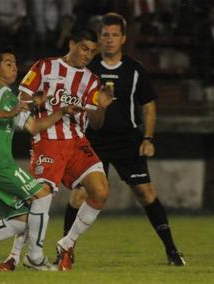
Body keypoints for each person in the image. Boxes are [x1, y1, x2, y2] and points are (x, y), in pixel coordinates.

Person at [65, 13, 185, 266]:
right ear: (98, 39)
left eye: (114, 35)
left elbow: (148, 105)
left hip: (127, 141)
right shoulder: (89, 69)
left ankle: (172, 250)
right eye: (105, 35)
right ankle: (66, 251)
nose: (109, 40)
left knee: (145, 193)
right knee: (79, 195)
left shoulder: (135, 69)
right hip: (93, 141)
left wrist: (148, 138)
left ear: (124, 38)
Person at [0, 47, 83, 272]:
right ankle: (36, 257)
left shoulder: (12, 98)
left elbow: (34, 126)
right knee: (43, 194)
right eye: (8, 63)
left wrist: (61, 111)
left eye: (15, 62)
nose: (14, 67)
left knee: (20, 220)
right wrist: (8, 114)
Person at [0, 28, 115, 272]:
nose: (88, 55)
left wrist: (101, 107)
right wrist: (35, 115)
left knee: (100, 192)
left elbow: (96, 123)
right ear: (71, 43)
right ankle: (15, 257)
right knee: (40, 199)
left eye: (93, 51)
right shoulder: (44, 67)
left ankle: (67, 244)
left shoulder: (92, 80)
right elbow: (23, 99)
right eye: (84, 48)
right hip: (48, 140)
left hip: (78, 143)